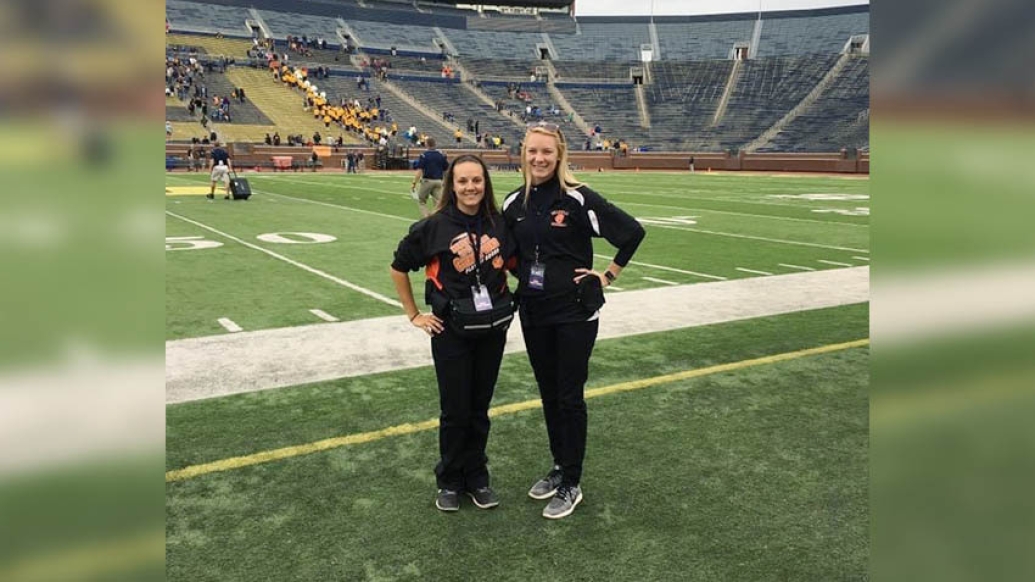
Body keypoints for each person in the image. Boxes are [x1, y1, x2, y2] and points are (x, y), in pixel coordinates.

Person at [502, 121, 646, 519]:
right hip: (533, 311)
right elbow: (508, 255)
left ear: (559, 155)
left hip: (574, 313)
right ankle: (559, 465)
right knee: (548, 394)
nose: (539, 158)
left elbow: (632, 232)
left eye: (547, 152)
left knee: (569, 396)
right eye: (532, 151)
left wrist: (607, 275)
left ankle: (572, 482)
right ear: (523, 153)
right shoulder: (514, 203)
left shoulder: (578, 198)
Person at [390, 155, 513, 512]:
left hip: (492, 329)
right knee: (455, 408)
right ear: (451, 185)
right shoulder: (434, 226)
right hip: (451, 330)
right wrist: (414, 315)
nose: (470, 187)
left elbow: (515, 263)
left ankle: (477, 476)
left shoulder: (499, 224)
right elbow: (399, 268)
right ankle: (449, 479)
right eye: (463, 181)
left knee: (479, 408)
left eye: (477, 180)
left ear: (485, 183)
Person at [411, 137, 448, 218]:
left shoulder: (424, 155)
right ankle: (436, 217)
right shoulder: (441, 155)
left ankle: (427, 218)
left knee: (422, 201)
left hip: (427, 181)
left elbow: (420, 170)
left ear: (427, 144)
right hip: (439, 181)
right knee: (439, 202)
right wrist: (446, 181)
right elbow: (445, 170)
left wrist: (414, 182)